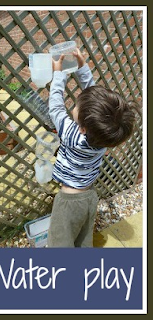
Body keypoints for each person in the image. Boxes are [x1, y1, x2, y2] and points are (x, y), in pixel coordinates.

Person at [47, 48, 140, 247]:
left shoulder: (71, 134)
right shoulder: (106, 137)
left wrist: (58, 74)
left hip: (68, 202)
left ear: (82, 126)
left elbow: (55, 106)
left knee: (59, 246)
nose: (75, 105)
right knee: (83, 239)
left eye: (77, 106)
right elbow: (95, 98)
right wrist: (82, 67)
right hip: (89, 196)